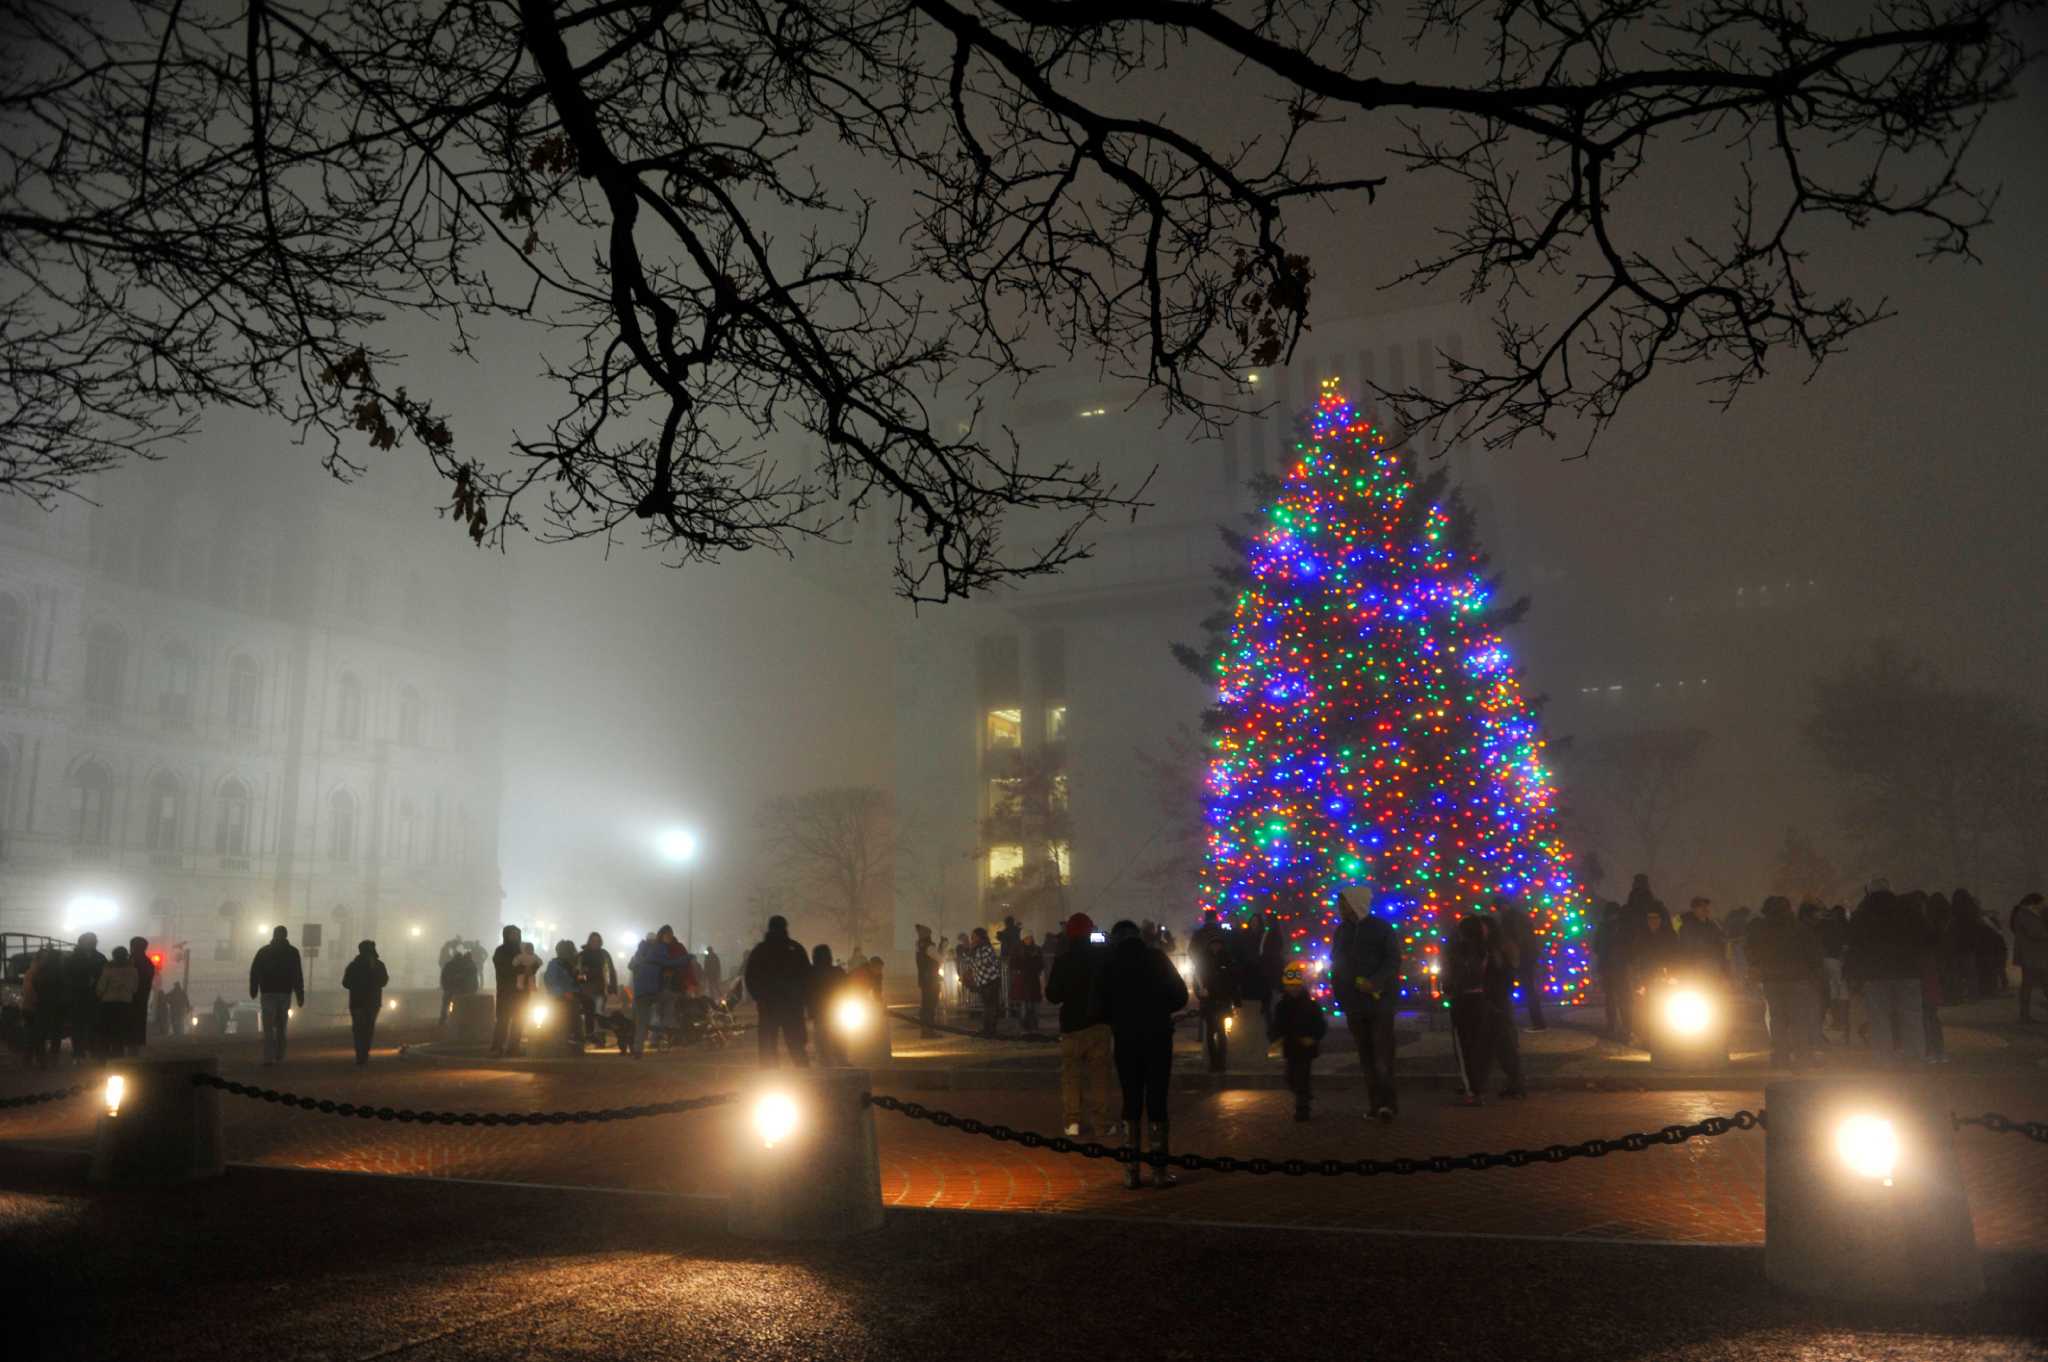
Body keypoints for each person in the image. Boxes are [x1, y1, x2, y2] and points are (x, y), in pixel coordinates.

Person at [1097, 919, 1188, 1188]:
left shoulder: (1110, 963)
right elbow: (1180, 996)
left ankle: (1131, 1171)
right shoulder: (1157, 958)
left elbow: (1099, 1005)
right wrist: (1159, 1009)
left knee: (1131, 1098)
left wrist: (1118, 1016)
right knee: (1157, 1097)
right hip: (1158, 1035)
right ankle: (1159, 1170)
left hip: (1126, 1038)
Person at [1045, 913, 1114, 1138]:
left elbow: (1053, 995)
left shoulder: (1063, 960)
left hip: (1071, 1025)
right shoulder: (1102, 958)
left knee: (1071, 1077)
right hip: (1098, 1023)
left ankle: (1072, 1121)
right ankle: (1101, 1124)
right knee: (1099, 1077)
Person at [1334, 890, 1401, 1120]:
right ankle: (1375, 1104)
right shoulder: (1342, 931)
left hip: (1379, 1003)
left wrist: (1376, 982)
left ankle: (1387, 1104)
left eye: (1343, 903)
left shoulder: (1381, 928)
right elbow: (1337, 962)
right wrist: (1341, 994)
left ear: (1355, 903)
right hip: (1354, 1004)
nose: (1340, 908)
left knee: (1382, 1054)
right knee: (1366, 1056)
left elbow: (1393, 960)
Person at [1847, 889, 1927, 1064]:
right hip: (1907, 971)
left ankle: (1883, 1057)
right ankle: (1915, 1055)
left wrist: (1853, 974)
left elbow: (1855, 947)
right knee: (1911, 1015)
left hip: (1875, 974)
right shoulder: (1908, 916)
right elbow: (1924, 940)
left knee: (1879, 1018)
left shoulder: (1864, 919)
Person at [1749, 897, 1820, 1068]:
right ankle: (1802, 1055)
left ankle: (1780, 1056)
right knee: (1799, 1019)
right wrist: (1811, 973)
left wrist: (1760, 968)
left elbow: (1751, 952)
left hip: (1771, 980)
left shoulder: (1761, 929)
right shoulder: (1798, 928)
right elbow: (1813, 953)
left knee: (1777, 1019)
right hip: (1797, 979)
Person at [744, 915, 812, 1067]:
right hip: (792, 1007)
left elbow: (750, 978)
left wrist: (760, 997)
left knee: (768, 1049)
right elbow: (807, 977)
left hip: (769, 1007)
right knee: (797, 1048)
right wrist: (802, 999)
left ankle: (770, 1080)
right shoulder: (795, 949)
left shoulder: (760, 951)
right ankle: (805, 1080)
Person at [1268, 959, 1328, 1121]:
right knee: (1290, 1078)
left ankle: (1302, 1109)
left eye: (1296, 985)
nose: (1293, 989)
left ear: (1301, 985)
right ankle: (1305, 1096)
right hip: (1291, 1048)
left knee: (1302, 1078)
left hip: (1305, 1049)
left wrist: (1313, 1038)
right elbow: (1277, 1024)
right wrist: (1275, 1038)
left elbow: (1320, 1025)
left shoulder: (1311, 1005)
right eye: (1290, 986)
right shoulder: (1282, 1006)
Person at [1189, 908, 1239, 1072]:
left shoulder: (1219, 957)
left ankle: (1219, 1063)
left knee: (1217, 1032)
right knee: (1214, 1032)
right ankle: (1216, 1063)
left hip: (1218, 999)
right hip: (1212, 999)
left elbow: (1231, 979)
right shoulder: (1220, 955)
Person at [249, 925, 305, 1066]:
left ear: (274, 935)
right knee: (281, 1025)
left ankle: (268, 1056)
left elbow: (255, 971)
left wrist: (254, 988)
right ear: (286, 935)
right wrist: (299, 994)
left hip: (267, 991)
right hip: (284, 992)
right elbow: (297, 974)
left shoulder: (264, 951)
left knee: (268, 1026)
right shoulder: (292, 952)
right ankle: (280, 1054)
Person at [1493, 896, 1546, 1030]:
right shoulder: (1520, 916)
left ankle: (1536, 1022)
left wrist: (1511, 955)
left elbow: (1514, 938)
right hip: (1527, 955)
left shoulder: (1509, 919)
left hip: (1520, 956)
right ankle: (1538, 1021)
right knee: (1529, 988)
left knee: (1523, 988)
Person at [341, 940, 389, 1065]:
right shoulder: (379, 965)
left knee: (358, 1029)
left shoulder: (353, 965)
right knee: (368, 1028)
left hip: (357, 1001)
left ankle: (359, 1053)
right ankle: (364, 1052)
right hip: (373, 1002)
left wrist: (356, 985)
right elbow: (384, 981)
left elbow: (345, 983)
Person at [806, 943, 852, 1065]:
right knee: (839, 1038)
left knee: (822, 1041)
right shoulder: (837, 972)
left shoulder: (810, 973)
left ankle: (826, 1063)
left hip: (819, 1013)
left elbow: (806, 992)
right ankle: (842, 1060)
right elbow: (847, 988)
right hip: (836, 1011)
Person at [64, 932, 105, 1065]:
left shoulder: (99, 958)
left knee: (94, 1027)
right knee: (78, 1028)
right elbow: (66, 978)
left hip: (94, 998)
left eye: (94, 941)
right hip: (78, 997)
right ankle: (78, 1053)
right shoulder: (72, 959)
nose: (93, 943)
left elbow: (105, 976)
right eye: (91, 941)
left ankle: (92, 1051)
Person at [490, 925, 531, 1058]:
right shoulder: (500, 951)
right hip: (506, 991)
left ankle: (514, 1047)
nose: (514, 937)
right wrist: (520, 969)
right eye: (512, 934)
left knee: (519, 1020)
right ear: (506, 935)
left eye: (516, 934)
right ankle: (497, 1047)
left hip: (521, 992)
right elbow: (503, 969)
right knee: (503, 1020)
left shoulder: (523, 951)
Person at [1591, 902, 1629, 1040]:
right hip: (1620, 967)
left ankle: (1612, 1026)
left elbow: (1596, 948)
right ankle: (1626, 1026)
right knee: (1623, 998)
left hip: (1607, 967)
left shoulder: (1602, 928)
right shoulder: (1624, 927)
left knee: (1611, 998)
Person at [95, 946, 140, 1061]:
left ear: (114, 955)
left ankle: (103, 1053)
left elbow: (101, 987)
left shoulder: (108, 969)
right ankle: (118, 1054)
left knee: (106, 1030)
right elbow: (135, 989)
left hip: (108, 1003)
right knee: (120, 1030)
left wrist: (99, 995)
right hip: (125, 1003)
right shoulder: (133, 970)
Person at [22, 945, 63, 1069]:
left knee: (36, 1035)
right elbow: (29, 991)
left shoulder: (36, 971)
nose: (47, 960)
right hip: (34, 1008)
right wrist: (38, 1002)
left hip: (34, 1007)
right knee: (37, 1035)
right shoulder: (35, 972)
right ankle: (36, 1061)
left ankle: (32, 1060)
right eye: (45, 958)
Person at [543, 940, 585, 1054]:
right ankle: (560, 1048)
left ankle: (574, 1047)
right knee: (561, 1024)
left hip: (573, 998)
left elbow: (579, 981)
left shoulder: (574, 965)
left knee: (575, 1023)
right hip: (560, 1000)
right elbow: (550, 982)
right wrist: (563, 993)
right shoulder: (555, 964)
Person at [2012, 893, 2048, 1023]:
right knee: (2040, 984)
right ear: (2034, 903)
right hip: (2032, 956)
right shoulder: (2025, 915)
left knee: (2030, 985)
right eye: (2042, 903)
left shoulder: (2025, 914)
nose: (2043, 905)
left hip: (2032, 956)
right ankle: (2024, 1015)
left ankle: (2024, 1015)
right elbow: (2035, 933)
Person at [627, 936, 665, 1057]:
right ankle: (655, 1041)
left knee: (641, 1022)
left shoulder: (638, 956)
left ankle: (638, 1048)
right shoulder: (657, 956)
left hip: (640, 994)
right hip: (654, 993)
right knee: (656, 1018)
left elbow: (631, 967)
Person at [577, 933, 615, 1049]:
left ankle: (599, 1039)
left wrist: (612, 987)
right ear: (589, 941)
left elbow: (610, 971)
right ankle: (590, 1037)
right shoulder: (582, 955)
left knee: (599, 1014)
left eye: (598, 941)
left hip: (600, 990)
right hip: (586, 990)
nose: (596, 943)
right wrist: (582, 981)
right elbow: (578, 973)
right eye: (593, 940)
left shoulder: (604, 954)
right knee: (589, 1015)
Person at [1677, 898, 1727, 985]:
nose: (1705, 909)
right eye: (1701, 906)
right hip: (1696, 969)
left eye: (1706, 906)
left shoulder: (1713, 926)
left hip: (1713, 969)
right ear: (1694, 909)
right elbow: (1686, 949)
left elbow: (1720, 946)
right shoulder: (1687, 927)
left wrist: (1723, 966)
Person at [965, 927, 1002, 1036]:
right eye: (972, 936)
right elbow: (969, 962)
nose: (972, 938)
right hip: (982, 981)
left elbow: (984, 962)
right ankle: (988, 1029)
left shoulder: (986, 948)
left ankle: (990, 1030)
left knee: (991, 1007)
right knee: (987, 1007)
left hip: (991, 980)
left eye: (974, 936)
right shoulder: (976, 949)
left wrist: (973, 956)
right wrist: (970, 951)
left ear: (980, 937)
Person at [439, 948, 479, 1035]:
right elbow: (467, 979)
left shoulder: (450, 965)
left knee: (446, 1004)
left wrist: (446, 987)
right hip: (462, 989)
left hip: (452, 989)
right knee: (463, 1006)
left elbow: (444, 977)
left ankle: (444, 1020)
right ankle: (464, 1021)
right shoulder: (467, 966)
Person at [1010, 932, 1044, 1032]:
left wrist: (1035, 968)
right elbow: (1013, 964)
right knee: (1024, 1005)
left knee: (1034, 1006)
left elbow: (1041, 964)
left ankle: (1034, 1026)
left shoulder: (1037, 949)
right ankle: (1024, 1026)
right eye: (1026, 938)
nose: (1028, 939)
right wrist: (1021, 969)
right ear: (1023, 939)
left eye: (1030, 937)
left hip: (1033, 980)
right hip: (1023, 981)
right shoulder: (1018, 950)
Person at [126, 936, 156, 1052]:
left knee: (130, 1021)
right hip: (142, 996)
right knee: (139, 1021)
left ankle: (130, 1045)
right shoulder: (148, 962)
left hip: (130, 996)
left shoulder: (131, 961)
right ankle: (135, 1045)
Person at [914, 924, 942, 1037]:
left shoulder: (919, 945)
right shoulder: (929, 946)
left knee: (926, 1005)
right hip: (931, 979)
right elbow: (940, 958)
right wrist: (943, 948)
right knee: (930, 1005)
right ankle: (929, 1031)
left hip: (924, 979)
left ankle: (925, 1030)